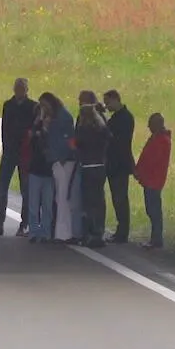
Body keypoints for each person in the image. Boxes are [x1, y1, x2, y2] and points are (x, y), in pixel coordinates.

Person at [0, 79, 39, 236]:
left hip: (25, 152)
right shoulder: (8, 105)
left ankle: (24, 223)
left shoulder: (33, 106)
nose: (19, 90)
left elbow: (34, 128)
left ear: (27, 89)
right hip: (10, 151)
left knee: (25, 189)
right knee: (2, 187)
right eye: (17, 88)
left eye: (22, 88)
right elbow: (5, 128)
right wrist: (5, 146)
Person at [74, 90, 109, 249]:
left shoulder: (83, 128)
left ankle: (88, 233)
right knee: (98, 200)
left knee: (88, 202)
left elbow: (76, 143)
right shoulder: (102, 127)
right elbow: (108, 138)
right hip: (100, 166)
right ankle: (98, 232)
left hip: (87, 166)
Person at [134, 112, 173, 250]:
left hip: (154, 180)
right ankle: (155, 238)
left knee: (154, 210)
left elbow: (152, 160)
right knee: (152, 209)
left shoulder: (161, 140)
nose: (148, 127)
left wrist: (141, 172)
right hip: (150, 179)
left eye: (150, 124)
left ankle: (156, 239)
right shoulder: (157, 138)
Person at [103, 90, 136, 244]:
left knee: (120, 198)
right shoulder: (118, 117)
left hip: (119, 163)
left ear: (116, 99)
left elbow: (115, 139)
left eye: (108, 102)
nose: (107, 106)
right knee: (118, 198)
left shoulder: (125, 118)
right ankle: (121, 230)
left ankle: (122, 232)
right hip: (114, 163)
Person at [44, 91, 77, 244]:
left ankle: (63, 233)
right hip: (57, 159)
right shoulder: (55, 118)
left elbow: (68, 139)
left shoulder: (63, 117)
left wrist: (63, 156)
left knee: (62, 197)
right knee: (60, 197)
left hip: (63, 161)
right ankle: (62, 231)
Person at [24, 98, 56, 243]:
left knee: (47, 205)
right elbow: (31, 140)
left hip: (49, 171)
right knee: (33, 205)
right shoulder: (35, 129)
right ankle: (33, 231)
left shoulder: (53, 131)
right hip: (35, 170)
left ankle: (45, 232)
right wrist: (38, 123)